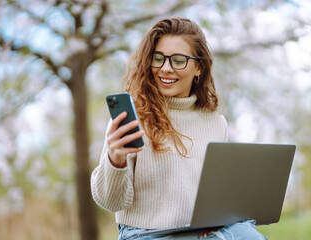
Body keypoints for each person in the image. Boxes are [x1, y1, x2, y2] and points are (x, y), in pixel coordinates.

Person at [91, 17, 267, 240]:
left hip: (199, 232)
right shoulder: (133, 117)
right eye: (158, 58)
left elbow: (212, 193)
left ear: (199, 68)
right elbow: (110, 202)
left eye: (178, 60)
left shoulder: (214, 121)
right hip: (144, 234)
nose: (165, 68)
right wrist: (115, 159)